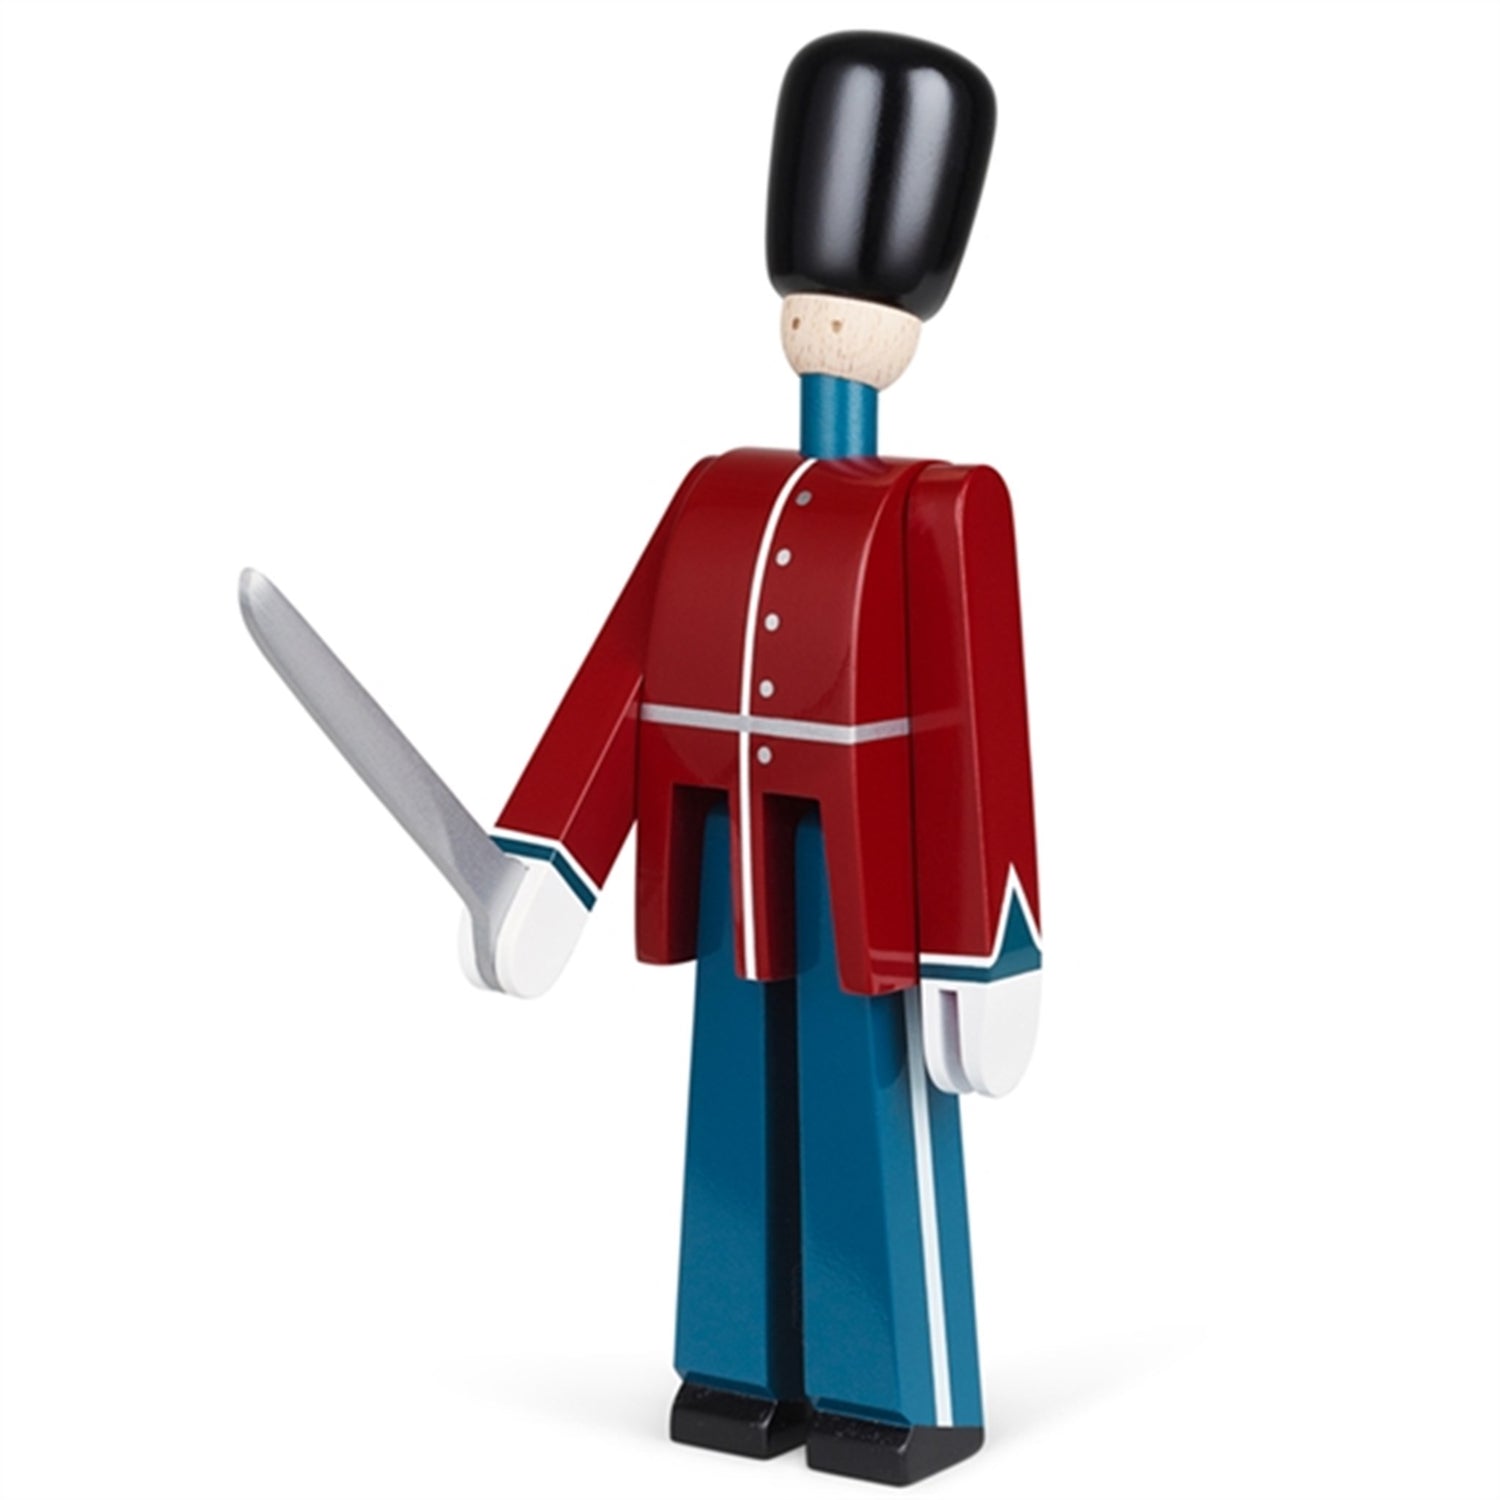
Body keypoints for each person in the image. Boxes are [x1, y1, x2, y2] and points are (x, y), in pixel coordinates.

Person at [464, 32, 1042, 1487]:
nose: (833, 322)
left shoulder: (945, 508)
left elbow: (982, 736)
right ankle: (733, 1366)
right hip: (719, 844)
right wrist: (549, 859)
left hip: (870, 878)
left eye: (861, 298)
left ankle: (891, 1392)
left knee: (865, 1112)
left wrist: (993, 953)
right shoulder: (716, 494)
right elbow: (623, 676)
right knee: (729, 1105)